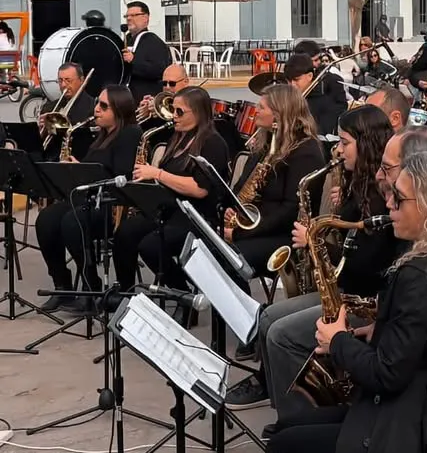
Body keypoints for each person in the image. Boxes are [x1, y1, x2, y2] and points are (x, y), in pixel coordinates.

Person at [264, 151, 427, 453]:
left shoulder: (419, 275)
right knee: (289, 426)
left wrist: (336, 340)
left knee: (283, 443)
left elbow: (385, 374)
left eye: (399, 198)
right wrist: (381, 330)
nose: (389, 204)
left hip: (417, 428)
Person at [225, 107, 406, 430]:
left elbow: (367, 264)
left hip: (362, 300)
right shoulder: (358, 183)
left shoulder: (382, 196)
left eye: (345, 142)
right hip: (345, 288)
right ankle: (282, 399)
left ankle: (299, 423)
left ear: (365, 145)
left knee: (281, 334)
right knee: (267, 317)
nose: (337, 148)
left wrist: (316, 243)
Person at [123, 87, 231, 326]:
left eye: (180, 111)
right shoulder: (178, 137)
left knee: (152, 246)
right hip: (170, 209)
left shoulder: (212, 143)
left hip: (197, 215)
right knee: (126, 232)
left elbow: (200, 189)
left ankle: (184, 295)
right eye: (173, 110)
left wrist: (158, 173)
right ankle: (126, 293)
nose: (174, 115)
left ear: (199, 113)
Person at [36, 85, 141, 312]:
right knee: (46, 220)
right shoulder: (101, 135)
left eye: (104, 106)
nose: (97, 110)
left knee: (72, 223)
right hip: (89, 198)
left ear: (120, 109)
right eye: (97, 104)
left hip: (112, 205)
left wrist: (83, 170)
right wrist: (74, 169)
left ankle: (90, 288)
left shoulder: (129, 133)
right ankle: (62, 286)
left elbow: (121, 174)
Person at [224, 84, 325, 277]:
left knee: (229, 260)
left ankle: (241, 307)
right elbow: (242, 185)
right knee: (210, 251)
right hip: (257, 228)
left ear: (279, 115)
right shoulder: (267, 142)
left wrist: (240, 234)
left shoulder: (306, 152)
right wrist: (233, 209)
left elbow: (289, 211)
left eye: (262, 107)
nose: (256, 111)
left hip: (285, 236)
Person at [122, 1, 172, 103]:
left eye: (134, 15)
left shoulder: (153, 42)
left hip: (145, 98)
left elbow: (159, 70)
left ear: (146, 18)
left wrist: (133, 60)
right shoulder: (127, 39)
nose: (129, 18)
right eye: (127, 16)